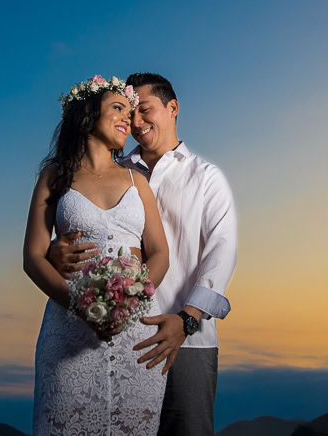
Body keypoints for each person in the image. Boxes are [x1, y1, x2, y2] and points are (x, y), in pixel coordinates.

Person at [49, 72, 238, 436]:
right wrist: (56, 252)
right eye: (130, 113)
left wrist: (187, 319)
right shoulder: (118, 171)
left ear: (173, 108)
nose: (135, 122)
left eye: (144, 110)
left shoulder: (206, 177)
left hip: (188, 336)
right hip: (122, 336)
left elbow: (222, 250)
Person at [24, 75, 172, 436]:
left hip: (135, 332)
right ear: (88, 116)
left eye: (131, 110)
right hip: (69, 328)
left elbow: (160, 253)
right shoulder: (55, 175)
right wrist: (79, 304)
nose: (129, 119)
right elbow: (32, 257)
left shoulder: (137, 181)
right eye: (118, 108)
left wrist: (131, 300)